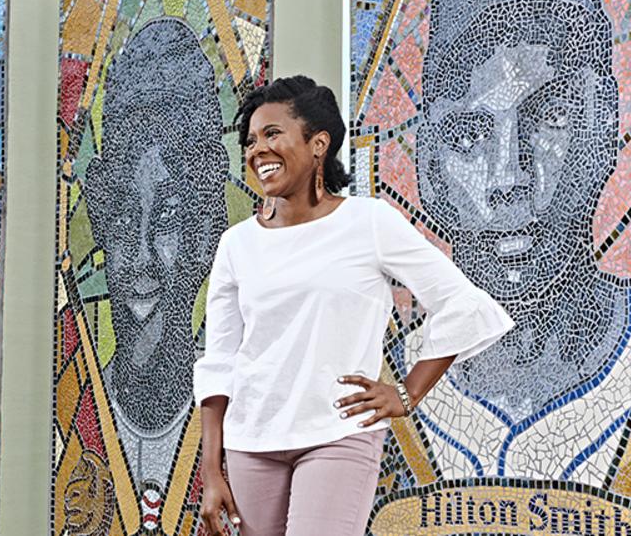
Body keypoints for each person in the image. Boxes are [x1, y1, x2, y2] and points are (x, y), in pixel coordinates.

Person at [194, 76, 514, 535]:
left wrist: (407, 392)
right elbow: (219, 362)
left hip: (338, 434)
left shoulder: (369, 223)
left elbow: (462, 304)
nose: (257, 150)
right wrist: (211, 469)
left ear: (318, 143)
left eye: (272, 134)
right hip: (251, 439)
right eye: (250, 141)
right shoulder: (236, 245)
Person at [412, 0, 631, 483]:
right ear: (429, 168)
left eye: (549, 117)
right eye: (468, 135)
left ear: (604, 130)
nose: (508, 178)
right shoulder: (386, 379)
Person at [81, 18, 228, 513]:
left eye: (166, 219)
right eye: (124, 219)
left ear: (205, 233)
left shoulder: (242, 415)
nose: (141, 256)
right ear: (101, 224)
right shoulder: (72, 413)